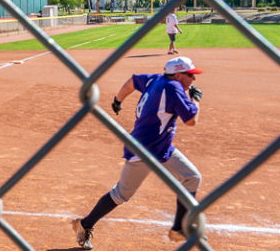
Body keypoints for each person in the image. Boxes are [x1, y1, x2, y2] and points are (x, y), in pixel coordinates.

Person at [71, 56, 204, 249]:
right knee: (121, 195)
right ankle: (84, 224)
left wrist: (118, 100)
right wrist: (196, 99)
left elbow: (132, 81)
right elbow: (191, 121)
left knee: (192, 177)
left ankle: (178, 228)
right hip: (144, 151)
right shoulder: (173, 88)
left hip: (161, 148)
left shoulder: (155, 79)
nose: (193, 80)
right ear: (177, 74)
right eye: (190, 75)